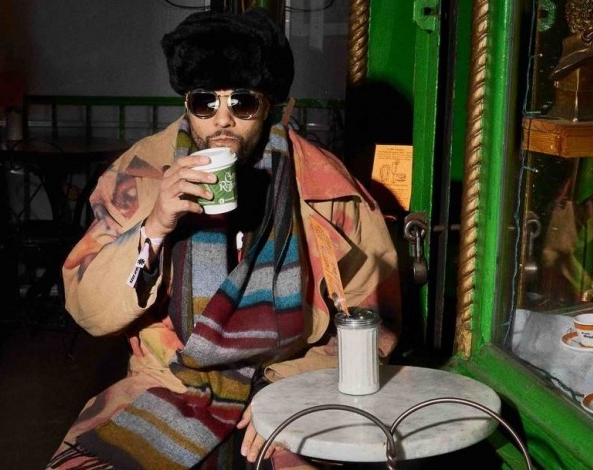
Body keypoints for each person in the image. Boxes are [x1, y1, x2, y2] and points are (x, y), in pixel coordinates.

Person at [47, 7, 401, 470]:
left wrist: (295, 392)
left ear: (268, 106)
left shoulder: (326, 187)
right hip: (168, 384)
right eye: (205, 102)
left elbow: (375, 325)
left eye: (242, 102)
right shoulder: (140, 174)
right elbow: (87, 308)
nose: (223, 120)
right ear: (187, 105)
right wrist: (155, 225)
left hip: (290, 380)